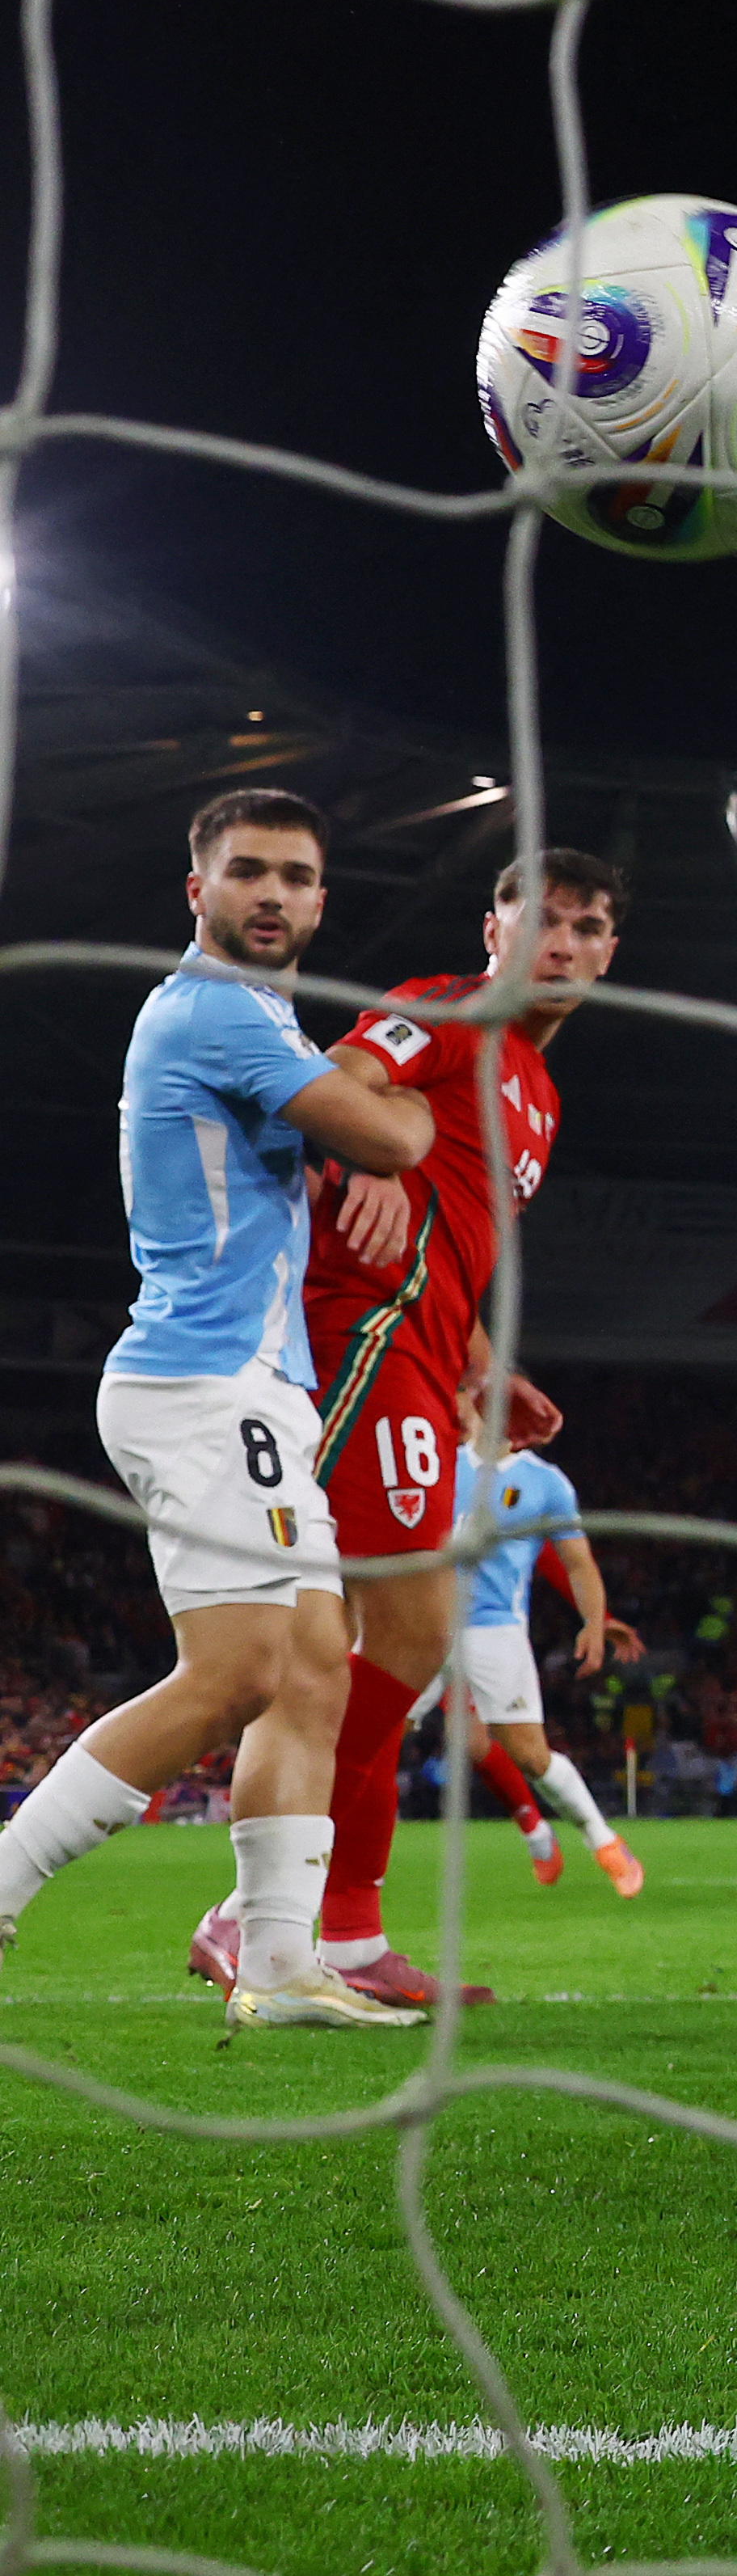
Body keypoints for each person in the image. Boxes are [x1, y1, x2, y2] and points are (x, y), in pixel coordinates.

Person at [0, 791, 439, 2028]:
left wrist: (356, 1148)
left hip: (258, 1389)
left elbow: (336, 1144)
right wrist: (409, 1118)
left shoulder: (257, 1021)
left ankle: (283, 1961)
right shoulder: (212, 1012)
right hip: (200, 1382)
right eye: (247, 872)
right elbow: (401, 1137)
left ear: (319, 899)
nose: (273, 896)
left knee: (313, 1673)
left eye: (297, 877)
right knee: (240, 1668)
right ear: (197, 892)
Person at [228, 847, 623, 2012]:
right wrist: (366, 1138)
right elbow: (330, 1073)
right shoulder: (443, 1014)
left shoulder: (538, 1092)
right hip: (360, 1336)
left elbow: (458, 1243)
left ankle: (337, 1929)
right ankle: (279, 1918)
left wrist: (486, 1371)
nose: (564, 942)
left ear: (610, 955)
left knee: (376, 1646)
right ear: (492, 929)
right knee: (397, 1634)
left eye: (589, 926)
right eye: (541, 918)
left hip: (422, 1355)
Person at [418, 1431, 644, 1896]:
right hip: (418, 1627)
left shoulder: (545, 1483)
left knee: (526, 1754)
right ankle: (325, 1884)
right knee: (371, 1739)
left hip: (494, 1632)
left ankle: (601, 1841)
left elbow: (573, 1562)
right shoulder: (434, 1459)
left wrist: (595, 1621)